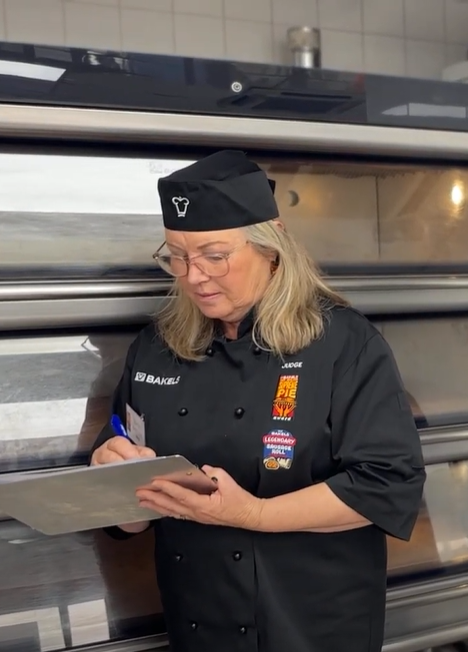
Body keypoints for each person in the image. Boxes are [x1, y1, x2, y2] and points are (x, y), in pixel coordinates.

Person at [87, 149, 427, 652]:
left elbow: (386, 484)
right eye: (176, 256)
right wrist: (111, 477)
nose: (193, 275)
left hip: (311, 625)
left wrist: (253, 515)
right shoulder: (156, 348)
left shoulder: (343, 343)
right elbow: (125, 496)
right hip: (198, 622)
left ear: (271, 249)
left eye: (213, 256)